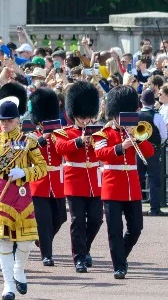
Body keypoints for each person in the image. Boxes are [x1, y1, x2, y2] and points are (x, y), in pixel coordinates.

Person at [0, 100, 47, 300]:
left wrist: (24, 172)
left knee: (25, 243)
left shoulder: (28, 141)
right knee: (4, 243)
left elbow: (42, 168)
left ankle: (19, 270)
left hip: (21, 195)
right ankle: (8, 285)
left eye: (8, 120)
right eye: (1, 120)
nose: (4, 124)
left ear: (16, 121)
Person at [93, 86, 155, 279]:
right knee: (115, 230)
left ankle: (121, 257)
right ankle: (119, 265)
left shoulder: (135, 131)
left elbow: (149, 152)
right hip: (112, 187)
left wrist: (135, 137)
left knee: (136, 228)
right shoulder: (103, 133)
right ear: (115, 114)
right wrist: (121, 146)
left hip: (132, 188)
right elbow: (100, 153)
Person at [53, 81, 103, 273]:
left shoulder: (98, 132)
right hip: (75, 181)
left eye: (88, 116)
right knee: (78, 220)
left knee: (97, 219)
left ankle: (85, 248)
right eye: (82, 117)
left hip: (94, 181)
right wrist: (80, 141)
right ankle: (79, 258)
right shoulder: (64, 132)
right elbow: (60, 149)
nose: (85, 120)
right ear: (74, 115)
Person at [26, 88, 67, 266]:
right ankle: (47, 254)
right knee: (44, 221)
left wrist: (56, 139)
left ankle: (43, 240)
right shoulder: (31, 134)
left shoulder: (60, 133)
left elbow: (64, 150)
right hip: (39, 182)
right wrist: (44, 137)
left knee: (60, 218)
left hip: (57, 182)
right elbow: (28, 151)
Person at [141, 88, 165, 216]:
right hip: (152, 150)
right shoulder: (156, 115)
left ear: (142, 101)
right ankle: (154, 208)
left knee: (137, 178)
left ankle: (133, 206)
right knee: (154, 179)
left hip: (138, 151)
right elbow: (164, 135)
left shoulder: (136, 115)